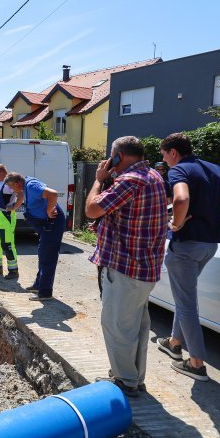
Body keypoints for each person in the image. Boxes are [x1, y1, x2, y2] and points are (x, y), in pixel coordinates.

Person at [157, 133, 220, 381]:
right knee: (184, 297)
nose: (164, 161)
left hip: (186, 246)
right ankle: (174, 342)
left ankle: (196, 364)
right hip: (209, 245)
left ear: (173, 152)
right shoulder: (213, 168)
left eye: (164, 155)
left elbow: (181, 198)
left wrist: (175, 224)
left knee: (186, 303)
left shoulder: (179, 171)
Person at [85, 136, 168, 398]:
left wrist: (99, 179)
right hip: (145, 269)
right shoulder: (154, 175)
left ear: (118, 156)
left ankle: (125, 381)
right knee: (137, 327)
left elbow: (91, 209)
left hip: (125, 268)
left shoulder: (129, 180)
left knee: (118, 326)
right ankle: (134, 377)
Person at [5, 172, 65, 301]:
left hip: (52, 223)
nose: (11, 189)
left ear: (16, 183)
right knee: (42, 253)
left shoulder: (31, 185)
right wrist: (13, 207)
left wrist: (49, 210)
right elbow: (21, 196)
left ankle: (45, 292)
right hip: (46, 224)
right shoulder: (24, 187)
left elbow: (53, 194)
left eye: (11, 187)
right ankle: (39, 285)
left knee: (48, 255)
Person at [0, 164, 22, 279]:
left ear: (0, 171)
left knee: (6, 244)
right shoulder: (0, 185)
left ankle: (13, 271)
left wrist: (14, 207)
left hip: (5, 219)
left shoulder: (8, 184)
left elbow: (21, 194)